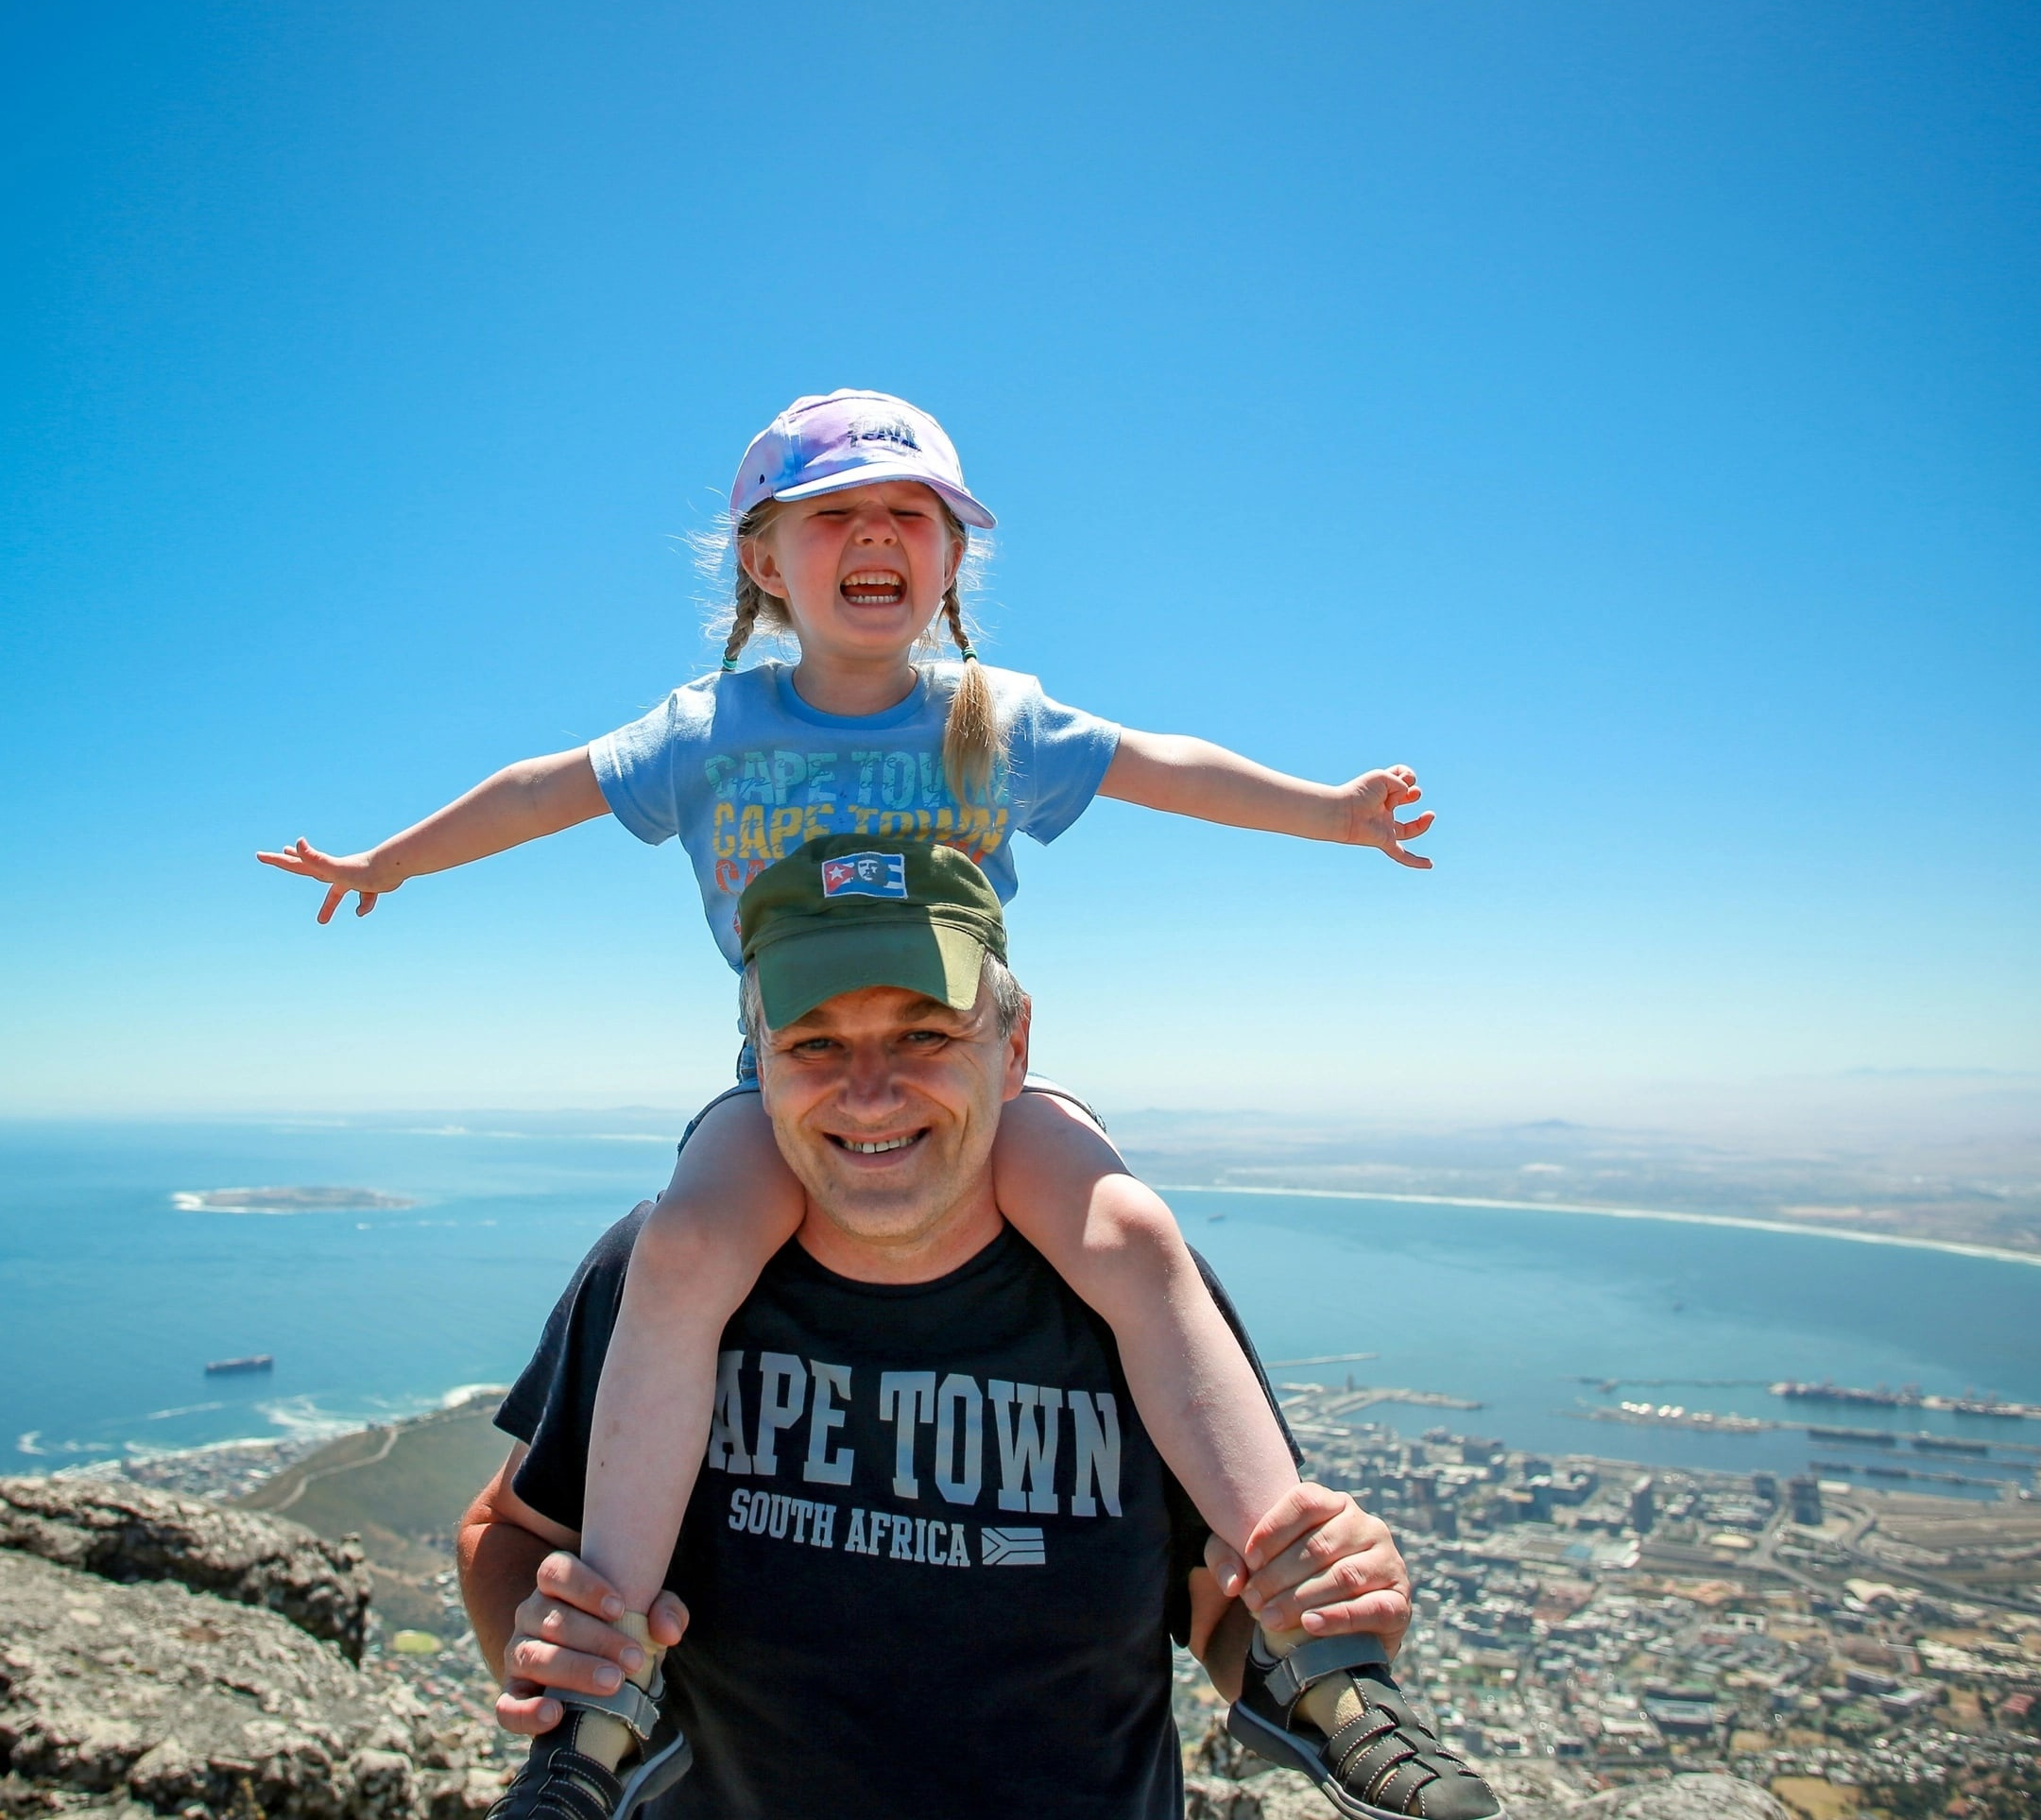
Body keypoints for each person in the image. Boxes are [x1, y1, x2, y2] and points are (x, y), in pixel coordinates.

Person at [260, 389, 1439, 1813]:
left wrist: (1330, 811)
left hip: (969, 1072)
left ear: (949, 564)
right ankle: (606, 1682)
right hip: (791, 1081)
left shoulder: (994, 720)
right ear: (766, 560)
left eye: (914, 516)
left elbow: (1159, 767)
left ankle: (1321, 1650)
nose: (878, 535)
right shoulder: (706, 729)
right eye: (836, 514)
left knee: (1128, 1230)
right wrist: (389, 861)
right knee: (688, 1251)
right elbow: (536, 790)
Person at [458, 839, 1501, 1820]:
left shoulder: (1118, 1292)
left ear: (1015, 1045)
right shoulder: (654, 1272)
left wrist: (1323, 1605)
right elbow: (507, 1534)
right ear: (758, 1065)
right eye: (815, 1042)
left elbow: (1222, 1612)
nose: (870, 1093)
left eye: (924, 1032)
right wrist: (551, 1648)